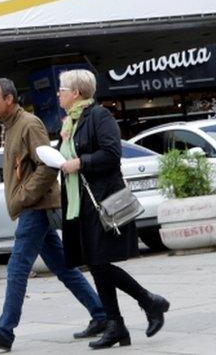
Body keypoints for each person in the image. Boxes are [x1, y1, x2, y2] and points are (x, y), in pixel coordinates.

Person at [0, 78, 106, 351]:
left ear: (9, 99)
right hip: (33, 207)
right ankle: (101, 314)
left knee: (17, 267)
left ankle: (5, 331)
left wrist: (24, 197)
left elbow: (48, 166)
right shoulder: (10, 127)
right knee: (63, 268)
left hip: (36, 207)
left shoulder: (29, 124)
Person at [57, 69, 169, 349]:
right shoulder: (71, 122)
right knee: (96, 264)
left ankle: (147, 301)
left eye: (62, 89)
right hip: (80, 202)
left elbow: (111, 153)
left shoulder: (99, 116)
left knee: (98, 263)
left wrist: (80, 162)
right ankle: (117, 325)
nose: (58, 94)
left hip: (101, 200)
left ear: (77, 93)